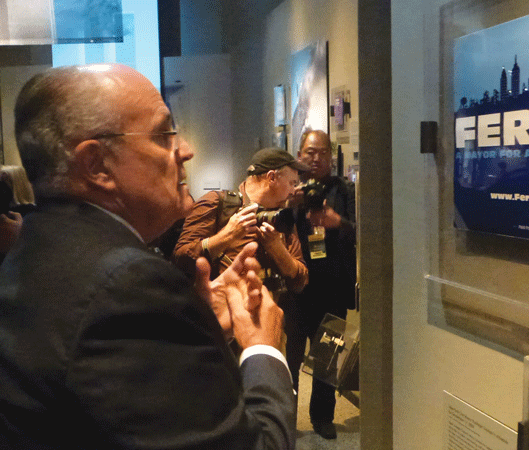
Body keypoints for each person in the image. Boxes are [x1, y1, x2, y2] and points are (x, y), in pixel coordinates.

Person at [0, 64, 296, 449]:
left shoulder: (38, 243)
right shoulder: (126, 285)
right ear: (96, 165)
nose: (185, 150)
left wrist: (193, 320)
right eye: (163, 135)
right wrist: (263, 349)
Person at [282, 129, 357, 440]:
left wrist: (336, 222)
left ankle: (322, 417)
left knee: (327, 357)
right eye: (309, 152)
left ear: (331, 156)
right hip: (297, 289)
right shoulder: (290, 188)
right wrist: (290, 204)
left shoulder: (345, 191)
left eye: (322, 152)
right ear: (300, 154)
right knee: (291, 358)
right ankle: (286, 418)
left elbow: (362, 229)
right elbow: (276, 228)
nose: (315, 158)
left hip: (333, 288)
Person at [172, 147, 309, 304]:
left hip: (270, 319)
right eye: (292, 183)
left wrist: (277, 249)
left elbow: (300, 282)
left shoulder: (281, 218)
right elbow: (180, 261)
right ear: (271, 178)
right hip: (220, 319)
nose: (293, 191)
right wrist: (227, 236)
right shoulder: (217, 203)